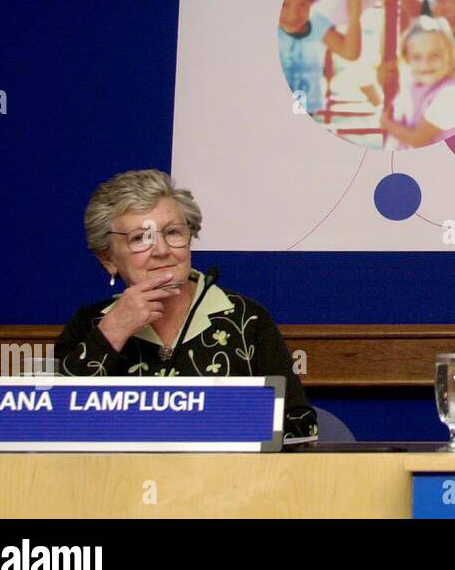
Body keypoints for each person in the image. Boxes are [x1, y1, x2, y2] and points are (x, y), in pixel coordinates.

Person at [55, 170, 318, 443]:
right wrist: (112, 333)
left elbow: (300, 425)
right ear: (108, 259)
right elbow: (51, 423)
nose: (161, 250)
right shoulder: (88, 325)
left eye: (172, 232)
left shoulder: (246, 320)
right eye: (139, 239)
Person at [380, 16, 455, 149]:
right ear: (407, 58)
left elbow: (417, 139)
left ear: (450, 55)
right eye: (416, 57)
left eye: (435, 55)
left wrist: (386, 124)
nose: (425, 64)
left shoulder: (453, 94)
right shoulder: (417, 85)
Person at [277, 0, 364, 116]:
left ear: (311, 4)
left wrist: (355, 8)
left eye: (302, 5)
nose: (293, 15)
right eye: (284, 5)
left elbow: (350, 52)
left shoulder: (317, 24)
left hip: (306, 110)